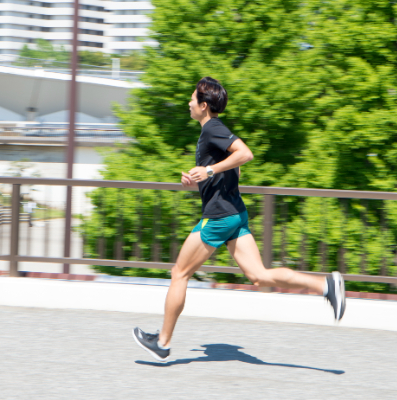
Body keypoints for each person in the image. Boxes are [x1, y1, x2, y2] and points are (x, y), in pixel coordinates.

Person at [132, 77, 346, 362]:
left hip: (220, 216)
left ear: (204, 105)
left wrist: (208, 172)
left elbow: (245, 154)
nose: (188, 102)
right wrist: (199, 178)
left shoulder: (212, 129)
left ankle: (162, 341)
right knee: (259, 275)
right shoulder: (213, 133)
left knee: (179, 273)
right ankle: (326, 287)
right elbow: (235, 171)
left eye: (192, 98)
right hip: (235, 212)